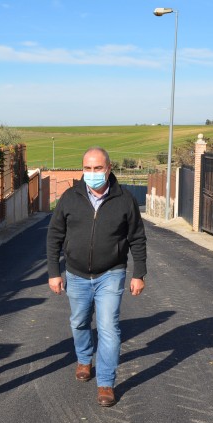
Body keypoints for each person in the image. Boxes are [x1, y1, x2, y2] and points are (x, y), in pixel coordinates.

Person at [46, 146, 147, 407]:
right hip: (76, 274)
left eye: (98, 168)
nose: (93, 173)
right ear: (83, 169)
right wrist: (54, 272)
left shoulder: (125, 199)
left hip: (111, 273)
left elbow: (137, 238)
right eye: (88, 168)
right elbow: (54, 237)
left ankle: (106, 383)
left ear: (109, 168)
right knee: (79, 322)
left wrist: (139, 273)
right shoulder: (69, 198)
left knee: (108, 328)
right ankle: (83, 358)